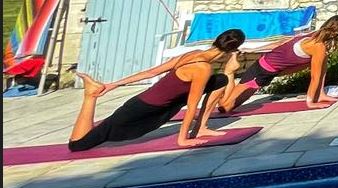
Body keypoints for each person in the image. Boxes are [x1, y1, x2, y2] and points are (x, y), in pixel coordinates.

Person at [68, 29, 246, 152]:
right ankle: (90, 96)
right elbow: (192, 105)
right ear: (233, 49)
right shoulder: (203, 68)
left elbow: (152, 72)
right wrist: (182, 139)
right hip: (144, 108)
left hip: (157, 102)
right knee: (79, 144)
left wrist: (114, 84)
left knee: (220, 80)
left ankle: (201, 128)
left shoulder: (193, 54)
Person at [217, 15, 338, 113]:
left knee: (323, 61)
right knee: (225, 107)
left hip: (270, 71)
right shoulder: (318, 47)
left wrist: (254, 50)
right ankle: (229, 71)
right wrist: (310, 103)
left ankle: (320, 94)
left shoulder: (313, 35)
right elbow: (315, 77)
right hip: (260, 71)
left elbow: (281, 44)